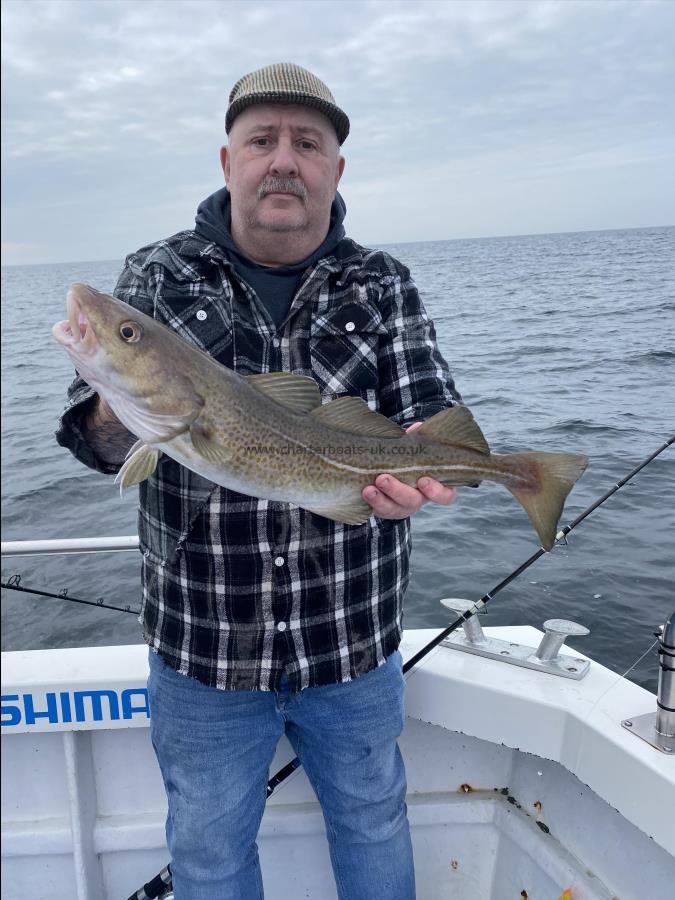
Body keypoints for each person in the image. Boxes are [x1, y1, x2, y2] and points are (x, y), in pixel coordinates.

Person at [56, 62, 461, 900]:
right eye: (262, 140)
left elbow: (430, 405)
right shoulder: (158, 275)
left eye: (306, 143)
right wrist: (120, 392)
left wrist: (426, 463)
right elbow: (93, 446)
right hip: (202, 648)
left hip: (352, 639)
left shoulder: (381, 282)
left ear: (334, 169)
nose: (284, 159)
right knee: (207, 853)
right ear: (228, 159)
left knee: (375, 822)